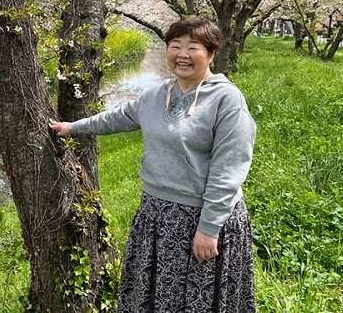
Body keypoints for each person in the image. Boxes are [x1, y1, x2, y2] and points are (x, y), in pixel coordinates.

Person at [49, 16, 257, 313]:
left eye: (193, 47)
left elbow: (229, 169)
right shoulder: (158, 94)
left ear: (211, 54)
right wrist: (73, 127)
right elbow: (117, 117)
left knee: (200, 301)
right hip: (157, 215)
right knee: (154, 298)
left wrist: (209, 229)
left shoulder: (227, 100)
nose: (182, 55)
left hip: (203, 218)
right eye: (175, 46)